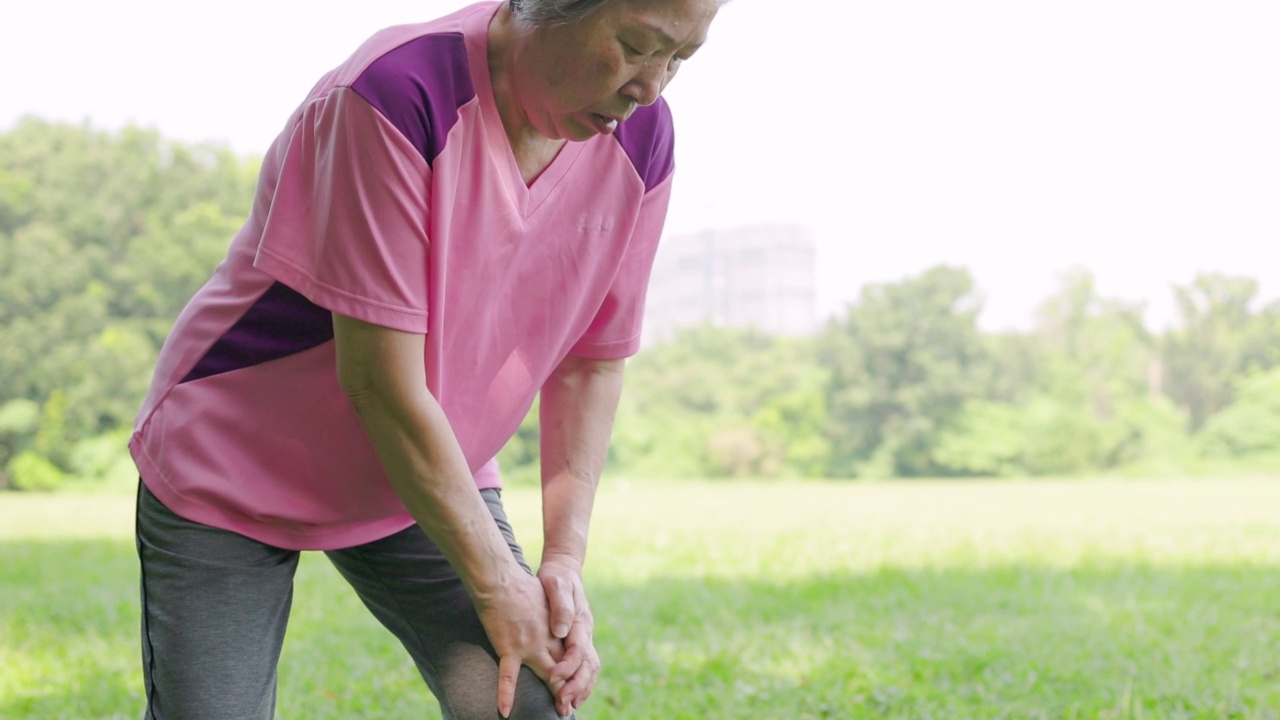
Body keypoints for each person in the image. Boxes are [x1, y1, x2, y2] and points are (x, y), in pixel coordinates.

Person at [128, 0, 721, 717]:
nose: (651, 86)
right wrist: (500, 585)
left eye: (679, 59)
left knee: (526, 700)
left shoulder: (642, 139)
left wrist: (562, 561)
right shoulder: (398, 91)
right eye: (635, 46)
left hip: (429, 468)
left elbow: (592, 360)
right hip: (236, 459)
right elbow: (380, 385)